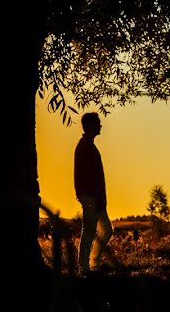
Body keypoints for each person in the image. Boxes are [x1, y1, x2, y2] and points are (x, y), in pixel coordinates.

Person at [74, 112, 114, 274]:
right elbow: (86, 175)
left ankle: (93, 263)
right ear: (90, 126)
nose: (100, 126)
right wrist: (90, 197)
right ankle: (84, 267)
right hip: (90, 196)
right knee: (89, 231)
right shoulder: (85, 146)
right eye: (98, 123)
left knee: (106, 230)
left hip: (95, 197)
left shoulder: (88, 145)